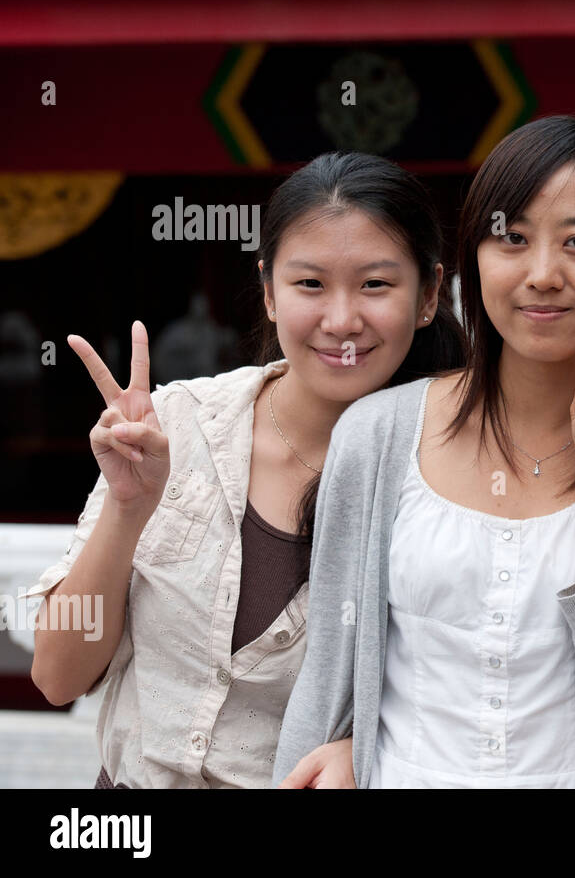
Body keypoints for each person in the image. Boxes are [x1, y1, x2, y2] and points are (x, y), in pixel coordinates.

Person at [272, 116, 575, 789]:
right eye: (511, 239)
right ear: (474, 257)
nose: (542, 274)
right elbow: (330, 672)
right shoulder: (378, 433)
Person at [24, 152, 464, 788]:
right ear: (269, 292)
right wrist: (126, 509)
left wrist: (358, 751)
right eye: (310, 284)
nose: (341, 321)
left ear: (427, 296)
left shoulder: (449, 473)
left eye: (375, 285)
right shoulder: (176, 424)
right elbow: (57, 676)